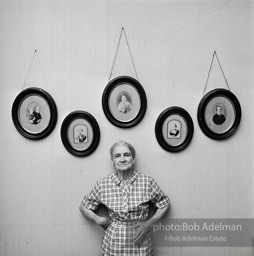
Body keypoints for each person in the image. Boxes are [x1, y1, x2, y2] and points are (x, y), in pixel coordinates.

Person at [79, 140, 171, 255]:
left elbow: (165, 204)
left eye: (126, 155)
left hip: (140, 240)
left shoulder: (147, 182)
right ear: (113, 161)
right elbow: (84, 207)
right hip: (114, 242)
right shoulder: (103, 184)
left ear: (133, 159)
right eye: (117, 156)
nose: (122, 159)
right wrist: (100, 220)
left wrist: (148, 224)